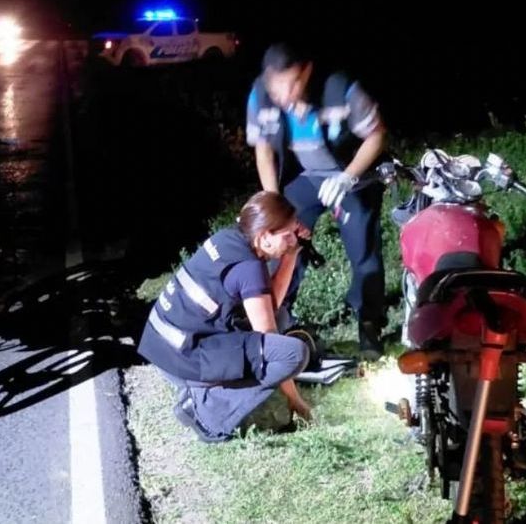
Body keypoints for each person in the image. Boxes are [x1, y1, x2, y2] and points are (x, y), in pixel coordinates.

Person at [245, 42, 388, 360]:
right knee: (279, 240)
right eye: (278, 86)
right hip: (309, 177)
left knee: (363, 249)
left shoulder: (338, 89)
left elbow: (376, 135)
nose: (286, 94)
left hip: (352, 176)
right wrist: (274, 206)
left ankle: (368, 323)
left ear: (307, 71)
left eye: (293, 83)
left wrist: (348, 177)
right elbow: (264, 151)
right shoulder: (261, 96)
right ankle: (280, 320)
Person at [137, 191, 312, 443]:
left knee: (281, 318)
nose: (293, 239)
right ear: (264, 237)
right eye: (287, 236)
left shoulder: (229, 238)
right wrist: (295, 401)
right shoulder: (248, 268)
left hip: (162, 345)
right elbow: (268, 334)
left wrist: (291, 254)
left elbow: (269, 304)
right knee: (293, 353)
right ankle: (207, 410)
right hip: (182, 358)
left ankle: (207, 387)